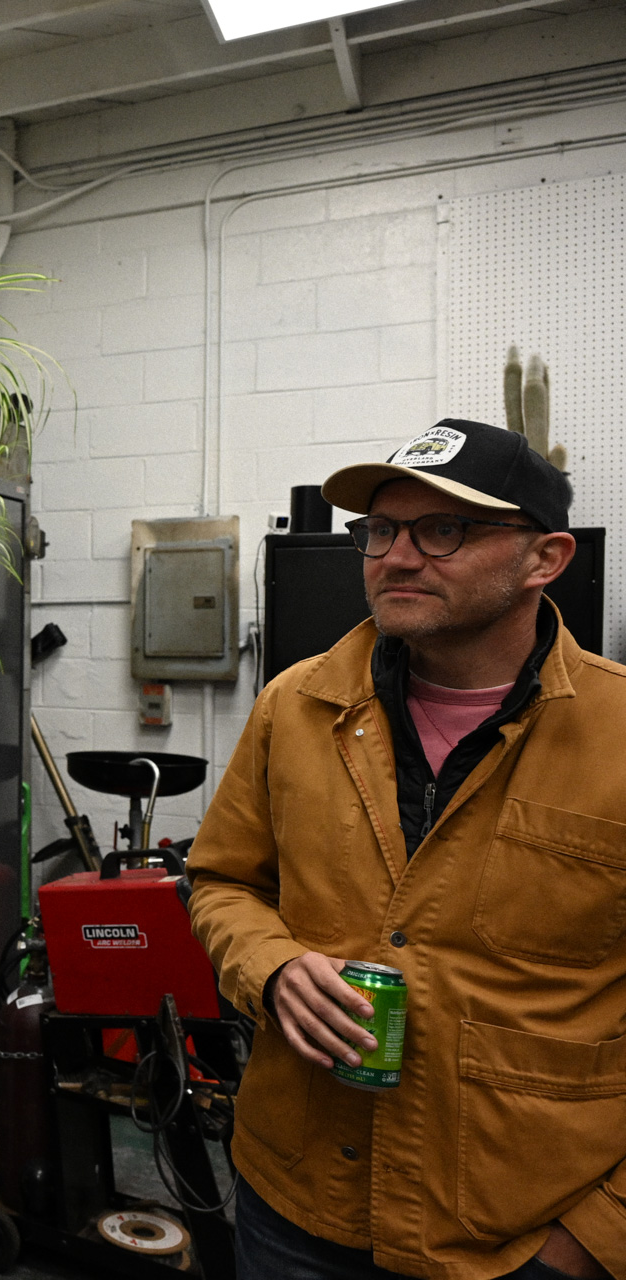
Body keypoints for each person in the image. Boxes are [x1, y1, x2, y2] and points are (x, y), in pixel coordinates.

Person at [187, 418, 625, 1280]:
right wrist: (272, 966)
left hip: (515, 1237)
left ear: (547, 558)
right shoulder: (295, 706)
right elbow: (222, 881)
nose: (397, 557)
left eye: (445, 530)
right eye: (381, 531)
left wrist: (595, 1237)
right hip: (295, 1205)